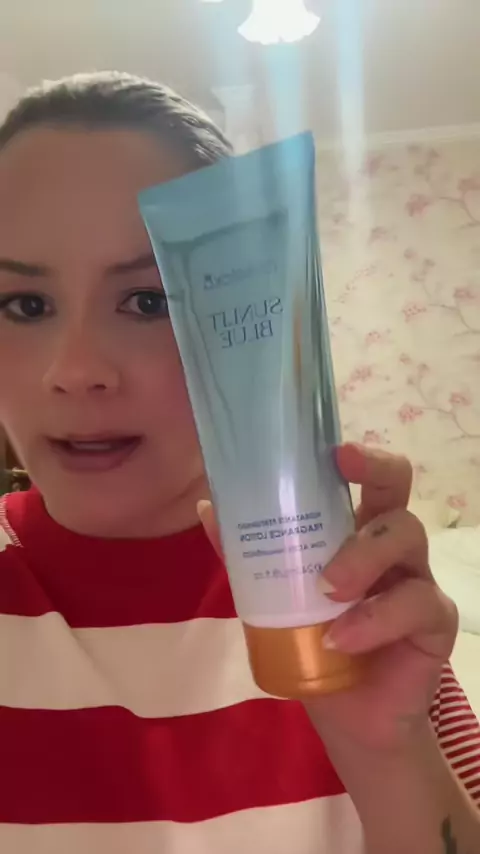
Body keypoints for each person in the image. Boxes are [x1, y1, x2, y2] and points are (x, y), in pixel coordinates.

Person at [0, 71, 478, 854]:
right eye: (25, 305)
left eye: (148, 300)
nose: (76, 370)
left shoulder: (343, 596)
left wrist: (385, 753)